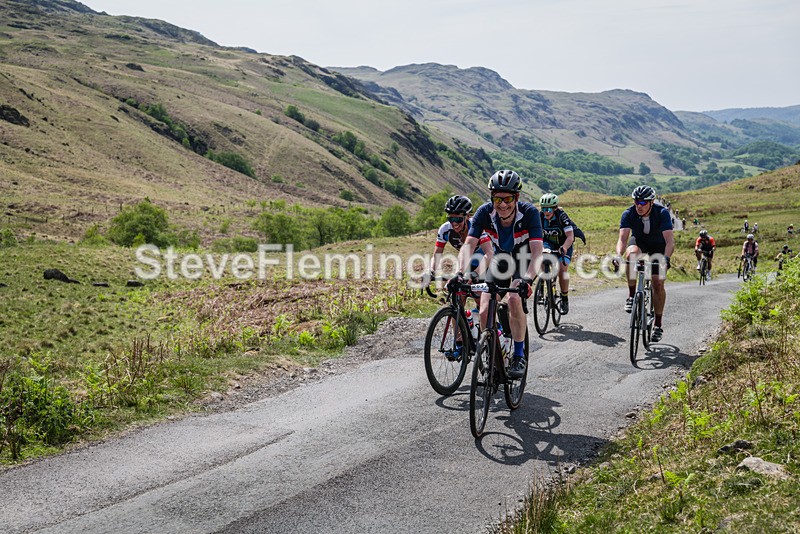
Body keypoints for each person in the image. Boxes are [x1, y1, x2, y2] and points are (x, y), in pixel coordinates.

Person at [452, 170, 543, 379]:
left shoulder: (529, 213)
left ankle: (518, 355)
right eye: (497, 199)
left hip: (523, 259)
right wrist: (459, 273)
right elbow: (468, 245)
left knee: (514, 298)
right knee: (484, 311)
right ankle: (494, 354)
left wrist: (528, 279)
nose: (502, 205)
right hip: (501, 260)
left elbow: (537, 253)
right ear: (492, 198)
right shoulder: (484, 213)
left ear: (516, 197)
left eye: (507, 199)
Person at [612, 185, 674, 343]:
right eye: (636, 201)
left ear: (651, 202)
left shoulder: (662, 213)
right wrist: (618, 255)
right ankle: (632, 295)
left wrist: (666, 259)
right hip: (640, 242)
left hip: (659, 246)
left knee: (657, 283)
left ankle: (658, 324)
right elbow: (622, 239)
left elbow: (669, 241)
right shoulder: (629, 213)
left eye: (643, 202)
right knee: (631, 255)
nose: (639, 206)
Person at [539, 192, 585, 315]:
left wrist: (564, 248)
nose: (546, 212)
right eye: (543, 209)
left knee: (562, 270)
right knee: (541, 258)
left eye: (549, 209)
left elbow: (570, 236)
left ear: (555, 208)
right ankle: (542, 283)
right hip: (548, 243)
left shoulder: (562, 217)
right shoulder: (540, 216)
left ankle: (564, 298)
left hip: (564, 244)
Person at [428, 195, 492, 279]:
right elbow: (437, 255)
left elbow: (489, 253)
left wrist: (475, 274)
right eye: (451, 219)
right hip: (469, 265)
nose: (454, 223)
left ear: (467, 216)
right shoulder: (445, 230)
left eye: (458, 219)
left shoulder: (477, 227)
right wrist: (431, 271)